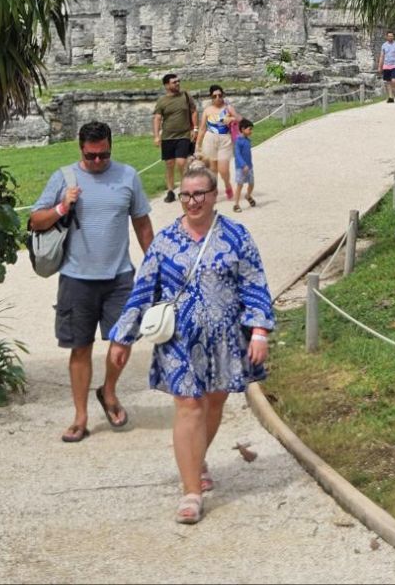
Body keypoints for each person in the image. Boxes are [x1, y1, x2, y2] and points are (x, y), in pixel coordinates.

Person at [108, 165, 274, 525]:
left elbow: (254, 284)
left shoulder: (235, 236)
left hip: (225, 340)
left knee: (213, 403)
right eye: (186, 194)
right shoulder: (165, 242)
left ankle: (196, 459)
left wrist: (259, 331)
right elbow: (143, 291)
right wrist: (122, 337)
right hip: (180, 341)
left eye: (199, 194)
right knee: (189, 406)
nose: (192, 201)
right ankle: (191, 493)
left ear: (214, 195)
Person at [29, 121, 154, 444]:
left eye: (104, 155)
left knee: (122, 345)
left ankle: (108, 391)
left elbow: (142, 223)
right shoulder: (64, 177)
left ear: (112, 147)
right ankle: (80, 416)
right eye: (91, 156)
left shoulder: (128, 176)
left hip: (120, 276)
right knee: (79, 348)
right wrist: (61, 206)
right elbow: (35, 220)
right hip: (76, 278)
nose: (98, 162)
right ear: (80, 149)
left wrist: (155, 265)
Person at [151, 73, 197, 204]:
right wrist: (156, 136)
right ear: (166, 85)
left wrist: (195, 128)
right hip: (168, 137)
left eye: (178, 81)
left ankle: (185, 189)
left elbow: (193, 111)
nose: (177, 84)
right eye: (174, 82)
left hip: (183, 135)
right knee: (169, 164)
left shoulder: (186, 96)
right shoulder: (162, 101)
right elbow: (157, 118)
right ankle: (170, 191)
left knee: (182, 163)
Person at [193, 84, 241, 202]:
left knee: (223, 169)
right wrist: (197, 145)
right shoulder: (207, 110)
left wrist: (232, 119)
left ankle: (227, 184)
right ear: (211, 97)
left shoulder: (228, 108)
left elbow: (240, 119)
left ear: (223, 95)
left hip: (225, 139)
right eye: (214, 96)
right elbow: (203, 128)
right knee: (212, 169)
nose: (218, 98)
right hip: (210, 139)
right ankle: (213, 191)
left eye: (220, 95)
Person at [231, 118, 256, 211]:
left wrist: (249, 165)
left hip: (249, 167)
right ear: (242, 129)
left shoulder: (248, 140)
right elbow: (237, 154)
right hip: (240, 168)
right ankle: (236, 204)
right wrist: (243, 165)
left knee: (251, 183)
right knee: (240, 185)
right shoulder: (238, 141)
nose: (251, 131)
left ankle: (248, 195)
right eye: (249, 129)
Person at [379, 31, 395, 104]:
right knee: (388, 82)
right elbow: (382, 56)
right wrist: (380, 66)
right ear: (386, 37)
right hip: (386, 65)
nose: (390, 37)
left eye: (391, 36)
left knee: (394, 80)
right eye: (389, 36)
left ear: (393, 37)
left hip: (394, 65)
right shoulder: (384, 45)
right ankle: (391, 97)